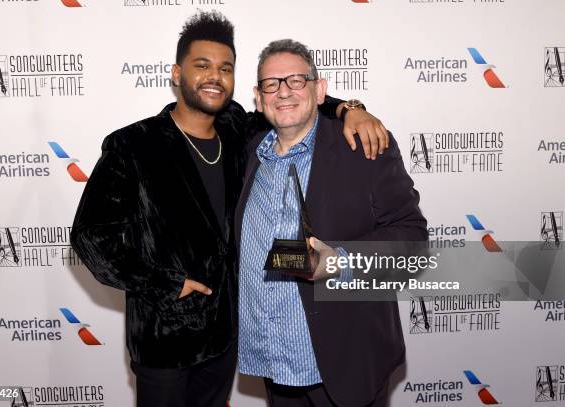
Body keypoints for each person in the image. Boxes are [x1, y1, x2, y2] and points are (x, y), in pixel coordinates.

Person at [71, 11, 389, 407]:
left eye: (225, 68)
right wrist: (165, 284)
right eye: (201, 65)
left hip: (226, 337)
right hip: (166, 341)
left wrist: (350, 108)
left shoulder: (239, 128)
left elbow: (293, 102)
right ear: (176, 73)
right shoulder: (133, 145)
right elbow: (89, 236)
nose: (214, 77)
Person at [235, 39, 428, 407]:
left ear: (319, 89)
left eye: (296, 81)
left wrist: (338, 261)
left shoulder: (365, 148)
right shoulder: (248, 153)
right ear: (258, 98)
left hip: (344, 363)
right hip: (275, 363)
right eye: (271, 84)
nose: (284, 93)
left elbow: (413, 239)